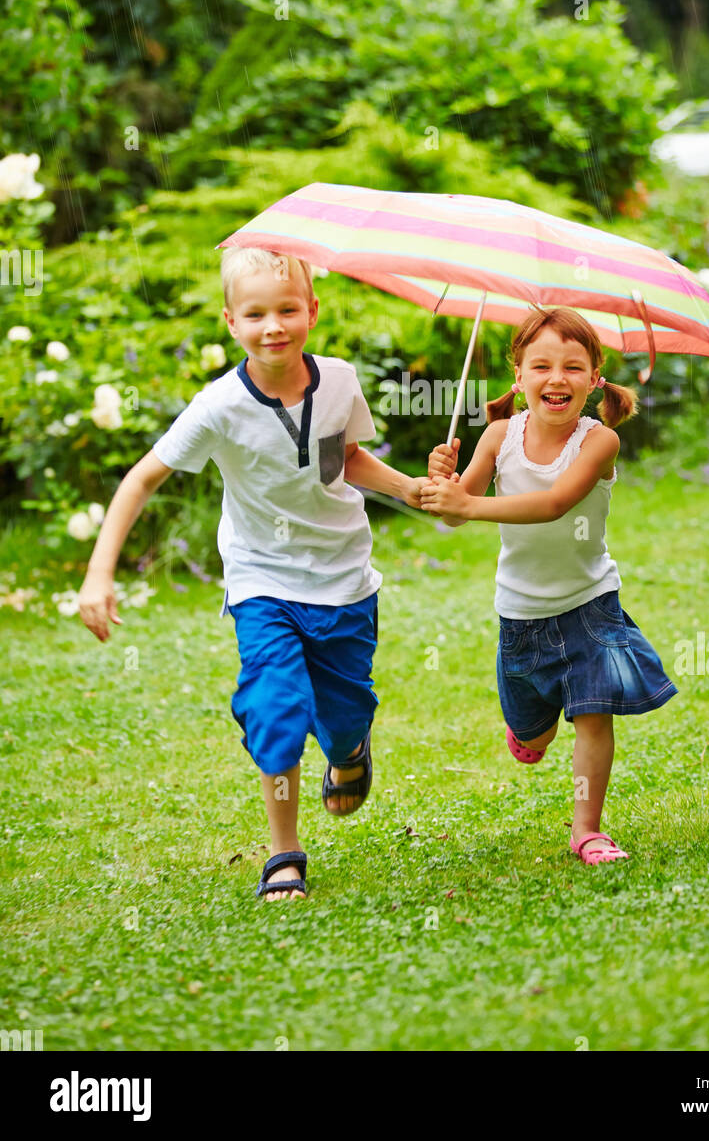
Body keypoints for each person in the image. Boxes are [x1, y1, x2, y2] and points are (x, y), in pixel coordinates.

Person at [78, 248, 425, 902]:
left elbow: (340, 459)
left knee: (346, 716)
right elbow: (141, 479)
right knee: (275, 710)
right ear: (230, 321)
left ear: (313, 312)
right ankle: (284, 854)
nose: (274, 326)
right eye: (256, 313)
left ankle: (349, 750)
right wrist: (100, 574)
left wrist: (412, 490)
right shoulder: (218, 406)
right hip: (262, 581)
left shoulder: (342, 380)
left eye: (288, 309)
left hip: (343, 578)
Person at [420, 307, 677, 866]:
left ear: (594, 380)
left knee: (594, 714)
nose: (556, 378)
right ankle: (530, 733)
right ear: (519, 377)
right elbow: (454, 515)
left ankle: (587, 830)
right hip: (522, 616)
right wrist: (443, 484)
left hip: (590, 606)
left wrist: (467, 503)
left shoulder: (598, 441)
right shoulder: (497, 436)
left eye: (572, 367)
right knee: (533, 734)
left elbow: (555, 502)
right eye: (541, 366)